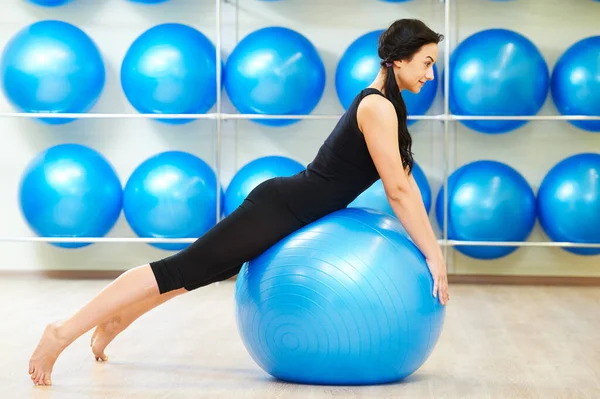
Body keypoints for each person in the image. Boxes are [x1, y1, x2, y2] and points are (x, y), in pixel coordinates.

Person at [28, 18, 449, 386]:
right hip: (280, 209)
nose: (431, 74)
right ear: (399, 59)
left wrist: (432, 250)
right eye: (427, 62)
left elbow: (404, 184)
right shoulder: (376, 107)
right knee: (180, 268)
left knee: (201, 271)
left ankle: (117, 321)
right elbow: (398, 191)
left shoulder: (388, 106)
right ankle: (61, 332)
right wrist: (435, 258)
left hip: (293, 212)